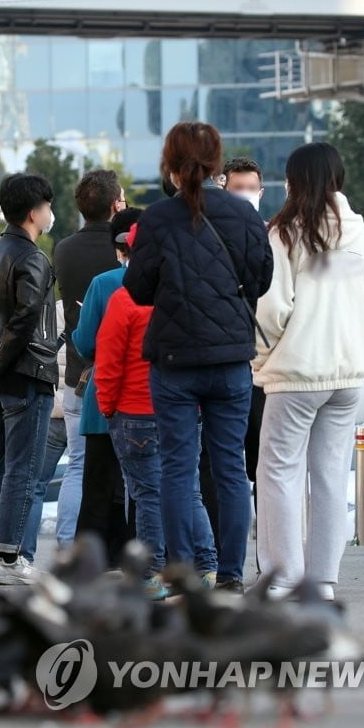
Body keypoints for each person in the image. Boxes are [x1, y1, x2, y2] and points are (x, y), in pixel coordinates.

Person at [124, 122, 273, 594]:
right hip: (231, 360)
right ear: (215, 163)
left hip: (174, 360)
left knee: (177, 467)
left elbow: (138, 287)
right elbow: (262, 279)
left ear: (169, 163)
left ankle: (183, 573)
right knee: (231, 468)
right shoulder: (244, 213)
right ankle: (230, 575)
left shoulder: (156, 219)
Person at [253, 143, 364, 601]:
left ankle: (283, 578)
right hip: (347, 375)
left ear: (296, 181)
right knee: (330, 476)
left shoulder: (285, 233)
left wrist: (261, 358)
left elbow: (272, 310)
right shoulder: (360, 234)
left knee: (278, 473)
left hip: (296, 374)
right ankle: (324, 580)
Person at [97, 223, 218, 599]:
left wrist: (107, 405)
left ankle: (150, 576)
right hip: (182, 409)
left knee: (148, 495)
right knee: (190, 490)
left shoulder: (124, 299)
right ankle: (206, 567)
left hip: (134, 411)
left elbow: (109, 360)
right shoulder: (187, 294)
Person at [0, 173, 58, 586]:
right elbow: (24, 321)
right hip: (23, 373)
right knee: (22, 469)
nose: (50, 213)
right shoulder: (32, 258)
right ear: (32, 212)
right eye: (47, 205)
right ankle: (10, 560)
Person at [52, 170, 127, 551]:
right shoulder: (127, 255)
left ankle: (68, 544)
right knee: (127, 470)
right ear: (117, 204)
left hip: (80, 374)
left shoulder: (63, 249)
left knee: (80, 465)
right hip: (123, 377)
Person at [70, 208, 143, 566]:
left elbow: (84, 343)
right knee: (142, 488)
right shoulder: (167, 280)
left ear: (118, 248)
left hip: (106, 397)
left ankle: (92, 562)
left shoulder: (103, 283)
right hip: (149, 397)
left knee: (98, 486)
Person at [223, 156, 269, 526]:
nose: (243, 196)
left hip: (261, 368)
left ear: (261, 192)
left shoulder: (273, 237)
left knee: (262, 465)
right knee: (220, 462)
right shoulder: (209, 236)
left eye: (249, 189)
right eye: (236, 189)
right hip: (223, 359)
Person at [19, 298, 67, 565]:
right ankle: (76, 553)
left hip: (51, 410)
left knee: (35, 485)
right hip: (82, 410)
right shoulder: (104, 301)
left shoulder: (53, 311)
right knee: (85, 483)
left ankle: (25, 553)